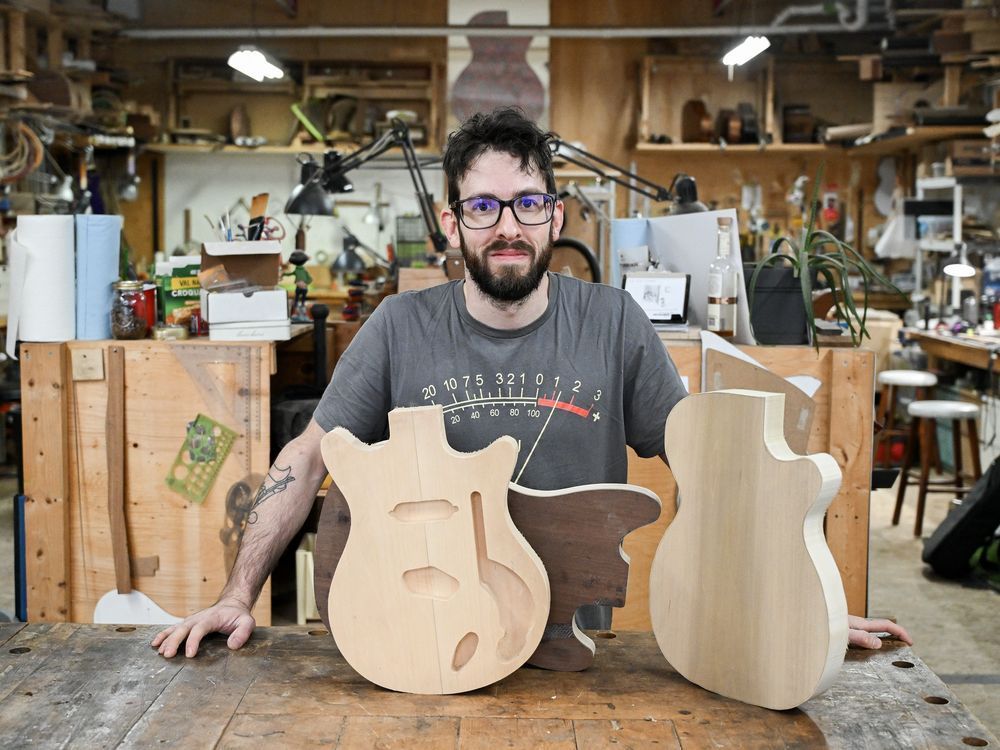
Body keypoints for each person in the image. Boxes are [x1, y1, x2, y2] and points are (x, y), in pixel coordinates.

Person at [153, 108, 911, 658]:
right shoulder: (398, 326)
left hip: (570, 654)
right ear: (452, 223)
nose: (507, 227)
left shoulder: (614, 324)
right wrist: (236, 596)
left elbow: (709, 472)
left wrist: (795, 601)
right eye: (483, 207)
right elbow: (307, 456)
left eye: (527, 203)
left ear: (554, 216)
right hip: (422, 644)